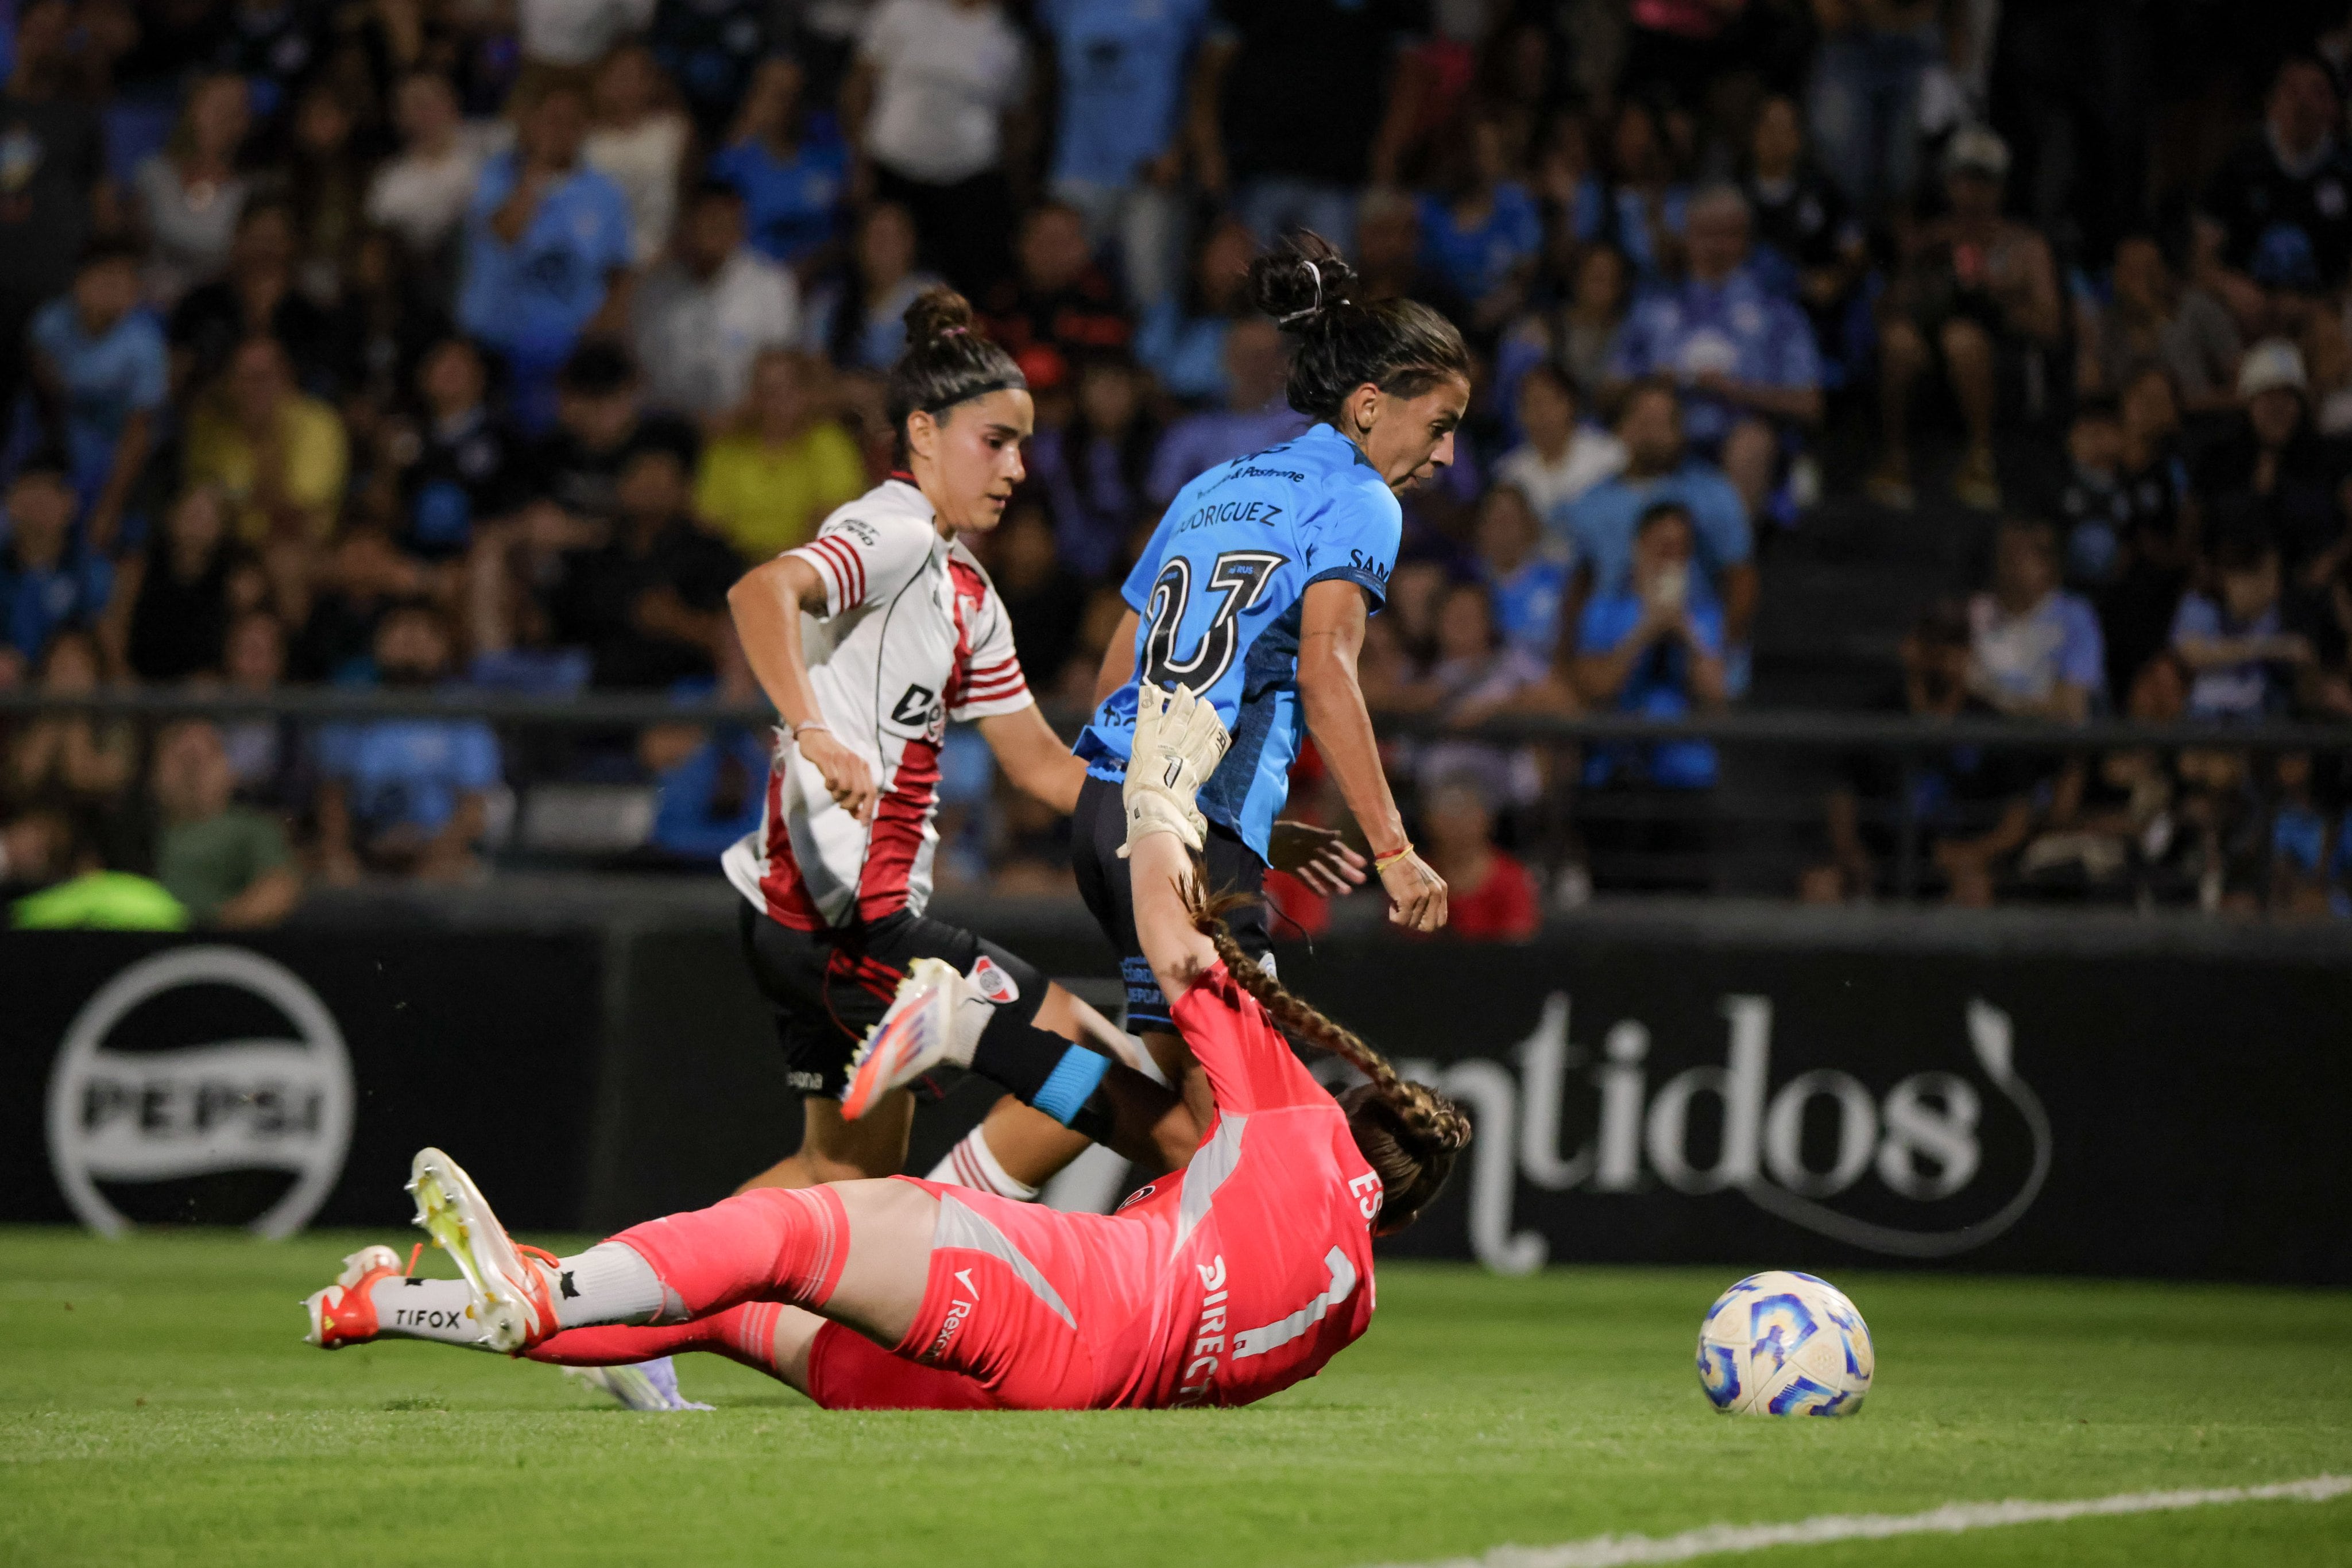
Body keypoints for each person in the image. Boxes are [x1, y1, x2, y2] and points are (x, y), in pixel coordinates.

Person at [300, 682, 1470, 1418]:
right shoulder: (1351, 1302)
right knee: (725, 1291)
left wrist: (1164, 806)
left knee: (792, 1227)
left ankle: (956, 1026)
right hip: (982, 1379)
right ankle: (399, 1307)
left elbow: (1174, 959)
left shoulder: (1289, 1122)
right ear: (1401, 1222)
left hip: (1028, 1294)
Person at [715, 285, 1201, 1213]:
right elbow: (759, 591)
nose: (1017, 468)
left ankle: (594, 1306)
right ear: (923, 433)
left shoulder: (965, 588)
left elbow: (1043, 768)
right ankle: (952, 1247)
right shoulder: (891, 531)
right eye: (996, 440)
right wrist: (814, 730)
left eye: (1024, 444)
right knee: (1110, 1083)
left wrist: (1180, 812)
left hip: (813, 918)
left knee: (841, 1180)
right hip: (855, 922)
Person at [1074, 230, 1463, 1113]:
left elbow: (1115, 671)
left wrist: (1254, 823)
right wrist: (1394, 850)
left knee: (1182, 1117)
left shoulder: (1213, 485)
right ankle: (1005, 1037)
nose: (1445, 457)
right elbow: (1327, 669)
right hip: (1190, 839)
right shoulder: (1360, 498)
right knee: (1268, 1125)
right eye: (1439, 426)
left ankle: (1020, 1081)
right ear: (1369, 406)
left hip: (1109, 813)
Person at [1869, 128, 2063, 512]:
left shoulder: (2025, 245)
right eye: (1964, 179)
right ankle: (1895, 457)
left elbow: (2051, 327)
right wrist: (1915, 266)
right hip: (1933, 362)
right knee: (1898, 342)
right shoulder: (1934, 241)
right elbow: (1885, 312)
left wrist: (1995, 293)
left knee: (1962, 339)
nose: (1973, 192)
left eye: (1984, 181)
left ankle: (1981, 458)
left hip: (2005, 364)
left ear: (2001, 188)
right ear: (1948, 184)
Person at [1608, 184, 1823, 519]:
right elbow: (1608, 390)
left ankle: (1733, 564)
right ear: (1686, 238)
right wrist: (1654, 382)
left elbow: (1810, 404)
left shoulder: (1777, 313)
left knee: (1752, 442)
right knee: (1642, 422)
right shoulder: (1653, 305)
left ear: (1747, 241)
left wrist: (1733, 390)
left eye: (1728, 234)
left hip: (1740, 437)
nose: (1716, 246)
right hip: (1665, 435)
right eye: (1705, 234)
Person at [457, 82, 634, 431]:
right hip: (498, 347)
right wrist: (537, 171)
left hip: (569, 356)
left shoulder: (606, 194)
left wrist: (598, 334)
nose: (560, 132)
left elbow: (619, 275)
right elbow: (506, 233)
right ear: (530, 123)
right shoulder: (495, 176)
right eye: (550, 121)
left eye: (570, 123)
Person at [1556, 380, 1755, 672]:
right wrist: (1565, 656)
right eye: (1643, 420)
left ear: (1680, 431)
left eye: (1663, 422)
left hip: (1689, 636)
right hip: (1612, 642)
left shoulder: (1714, 494)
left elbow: (1741, 579)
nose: (1652, 433)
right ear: (1622, 428)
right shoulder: (1590, 503)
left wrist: (1724, 652)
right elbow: (1579, 585)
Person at [841, 0, 1031, 293]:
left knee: (965, 288)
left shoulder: (1007, 35)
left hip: (968, 180)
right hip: (893, 170)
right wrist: (857, 160)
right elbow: (859, 85)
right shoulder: (902, 10)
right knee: (878, 275)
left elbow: (1014, 120)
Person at [314, 601, 502, 883]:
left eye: (425, 633)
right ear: (377, 643)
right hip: (365, 848)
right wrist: (340, 852)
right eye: (400, 630)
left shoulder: (462, 713)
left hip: (438, 850)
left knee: (454, 875)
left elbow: (473, 809)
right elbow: (332, 796)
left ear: (444, 647)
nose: (412, 641)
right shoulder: (353, 707)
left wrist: (431, 856)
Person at [1039, 0, 1208, 308]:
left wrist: (1180, 146)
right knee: (1055, 276)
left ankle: (1152, 355)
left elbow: (1203, 70)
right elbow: (1041, 68)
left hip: (1151, 166)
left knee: (1151, 287)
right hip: (1078, 163)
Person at [28, 241, 165, 548]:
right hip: (58, 440)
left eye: (124, 279)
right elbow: (41, 389)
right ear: (80, 281)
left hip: (115, 455)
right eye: (104, 277)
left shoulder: (145, 346)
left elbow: (139, 433)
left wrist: (109, 507)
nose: (113, 288)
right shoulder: (52, 321)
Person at [632, 180, 800, 419]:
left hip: (746, 430)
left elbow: (782, 374)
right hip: (670, 427)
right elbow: (641, 373)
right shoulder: (655, 291)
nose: (716, 232)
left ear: (741, 227)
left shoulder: (772, 287)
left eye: (725, 223)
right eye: (708, 221)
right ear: (688, 223)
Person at [694, 348, 868, 561]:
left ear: (807, 393)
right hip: (732, 567)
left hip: (805, 565)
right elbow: (708, 522)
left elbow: (834, 518)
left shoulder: (829, 442)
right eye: (764, 390)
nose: (774, 401)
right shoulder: (729, 446)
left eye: (786, 389)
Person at [183, 335, 350, 545]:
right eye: (243, 378)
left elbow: (298, 516)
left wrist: (267, 436)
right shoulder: (212, 426)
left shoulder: (319, 424)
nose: (253, 390)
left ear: (287, 379)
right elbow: (200, 497)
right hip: (226, 546)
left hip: (296, 545)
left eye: (263, 378)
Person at [149, 718, 301, 928]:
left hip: (220, 948)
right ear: (155, 771)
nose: (192, 774)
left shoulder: (253, 828)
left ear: (229, 772)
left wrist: (208, 930)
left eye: (202, 761)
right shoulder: (132, 828)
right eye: (183, 760)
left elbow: (278, 890)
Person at [1144, 316, 1309, 505]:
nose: (1249, 367)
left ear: (1285, 363)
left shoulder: (1307, 426)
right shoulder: (1192, 430)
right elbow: (1163, 502)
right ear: (1225, 360)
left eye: (1260, 356)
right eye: (1240, 355)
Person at [710, 55, 851, 273]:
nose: (784, 105)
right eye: (774, 94)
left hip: (818, 283)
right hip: (748, 279)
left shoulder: (832, 160)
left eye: (792, 95)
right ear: (755, 97)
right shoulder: (732, 163)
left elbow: (848, 233)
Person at [130, 71, 252, 308]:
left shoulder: (249, 191)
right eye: (218, 106)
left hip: (210, 314)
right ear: (191, 109)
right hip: (145, 306)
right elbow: (131, 247)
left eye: (237, 108)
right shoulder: (152, 174)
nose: (226, 117)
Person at [1967, 517, 2105, 723]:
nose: (2012, 561)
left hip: (2047, 748)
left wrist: (1996, 700)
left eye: (2024, 552)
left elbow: (2071, 711)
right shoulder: (1978, 610)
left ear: (2048, 565)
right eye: (2007, 551)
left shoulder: (2076, 617)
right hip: (1983, 742)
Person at [366, 73, 490, 280]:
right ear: (399, 117)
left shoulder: (491, 146)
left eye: (435, 101)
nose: (427, 112)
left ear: (453, 102)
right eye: (416, 105)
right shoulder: (390, 183)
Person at [585, 44, 693, 268]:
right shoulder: (586, 141)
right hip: (595, 261)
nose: (629, 87)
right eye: (622, 76)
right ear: (602, 82)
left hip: (656, 261)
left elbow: (689, 197)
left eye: (639, 77)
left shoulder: (673, 132)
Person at [800, 201, 940, 373]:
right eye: (874, 235)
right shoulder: (827, 303)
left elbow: (930, 375)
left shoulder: (932, 298)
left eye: (891, 236)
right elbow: (813, 371)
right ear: (857, 244)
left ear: (911, 243)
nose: (882, 245)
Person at [1492, 361, 1622, 526]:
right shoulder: (1510, 473)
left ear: (1570, 403)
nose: (1540, 414)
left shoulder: (1609, 457)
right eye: (1530, 404)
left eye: (1546, 401)